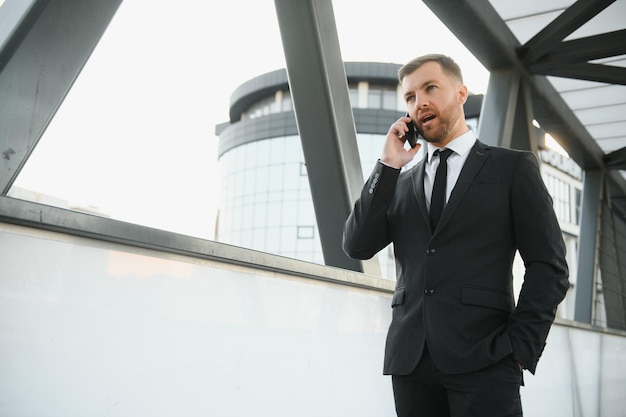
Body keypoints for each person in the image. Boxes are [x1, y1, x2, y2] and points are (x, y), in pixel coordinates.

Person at [343, 54, 569, 417]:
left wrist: (518, 348)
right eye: (411, 97)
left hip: (487, 361)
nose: (420, 103)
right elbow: (357, 245)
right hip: (411, 365)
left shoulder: (511, 168)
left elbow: (550, 266)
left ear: (462, 93)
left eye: (431, 88)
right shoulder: (398, 184)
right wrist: (387, 166)